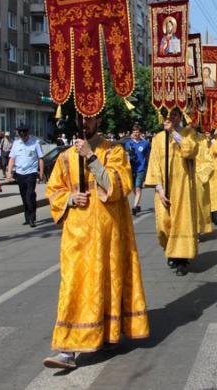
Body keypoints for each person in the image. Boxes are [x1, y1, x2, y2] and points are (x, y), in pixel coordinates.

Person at [42, 115, 149, 370]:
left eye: (89, 119)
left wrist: (91, 157)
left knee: (107, 284)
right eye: (81, 120)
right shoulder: (66, 156)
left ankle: (108, 333)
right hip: (76, 236)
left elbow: (117, 186)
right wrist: (69, 197)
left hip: (107, 234)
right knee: (73, 287)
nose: (85, 124)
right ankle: (66, 350)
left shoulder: (114, 151)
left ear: (98, 120)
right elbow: (53, 190)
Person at [145, 107, 199, 276]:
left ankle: (181, 260)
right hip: (164, 188)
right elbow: (153, 164)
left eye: (174, 115)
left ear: (179, 117)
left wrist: (174, 134)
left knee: (181, 223)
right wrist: (159, 189)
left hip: (182, 185)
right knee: (163, 225)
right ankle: (170, 249)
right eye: (168, 115)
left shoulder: (187, 133)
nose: (171, 118)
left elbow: (191, 151)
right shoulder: (157, 139)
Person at [6, 124, 45, 227]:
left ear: (28, 133)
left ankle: (32, 218)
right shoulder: (16, 143)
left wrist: (41, 172)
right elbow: (12, 158)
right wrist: (9, 172)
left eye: (24, 135)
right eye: (21, 136)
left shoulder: (35, 143)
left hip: (31, 172)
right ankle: (27, 217)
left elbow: (41, 158)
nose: (23, 137)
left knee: (29, 195)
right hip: (20, 173)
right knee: (24, 196)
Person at [125, 125, 151, 216]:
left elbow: (148, 155)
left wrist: (148, 166)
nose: (136, 134)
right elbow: (126, 154)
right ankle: (138, 202)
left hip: (141, 168)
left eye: (137, 132)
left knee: (138, 187)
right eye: (134, 132)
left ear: (140, 133)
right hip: (131, 168)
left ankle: (135, 206)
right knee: (133, 188)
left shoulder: (145, 144)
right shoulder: (129, 143)